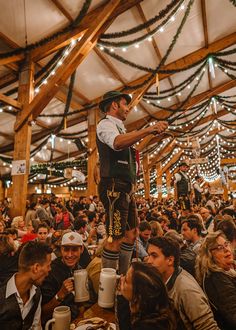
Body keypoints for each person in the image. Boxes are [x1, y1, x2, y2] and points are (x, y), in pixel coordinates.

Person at [96, 90, 168, 273]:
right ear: (114, 105)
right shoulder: (105, 124)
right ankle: (109, 288)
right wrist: (148, 129)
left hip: (125, 188)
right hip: (113, 187)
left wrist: (152, 136)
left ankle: (123, 274)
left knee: (132, 234)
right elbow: (117, 143)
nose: (128, 109)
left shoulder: (120, 127)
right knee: (114, 238)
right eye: (125, 104)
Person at [147, 236, 219, 330]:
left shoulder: (187, 290)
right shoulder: (160, 279)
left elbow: (208, 327)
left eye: (154, 256)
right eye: (149, 255)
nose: (148, 261)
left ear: (170, 260)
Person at [0, 241, 52, 330]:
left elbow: (36, 327)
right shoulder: (1, 294)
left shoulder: (36, 292)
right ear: (36, 268)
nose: (50, 270)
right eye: (48, 266)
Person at [195, 231, 236, 330]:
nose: (226, 249)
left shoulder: (225, 271)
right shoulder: (216, 278)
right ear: (209, 255)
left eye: (226, 244)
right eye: (219, 248)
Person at [41, 231, 84, 322]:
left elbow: (80, 303)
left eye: (74, 250)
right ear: (61, 250)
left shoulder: (79, 268)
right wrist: (60, 294)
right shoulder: (50, 272)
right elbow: (43, 312)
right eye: (66, 249)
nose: (69, 255)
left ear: (82, 249)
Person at [120, 262, 176, 330]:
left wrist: (122, 299)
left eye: (126, 280)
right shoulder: (159, 307)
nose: (121, 278)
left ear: (139, 296)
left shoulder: (147, 326)